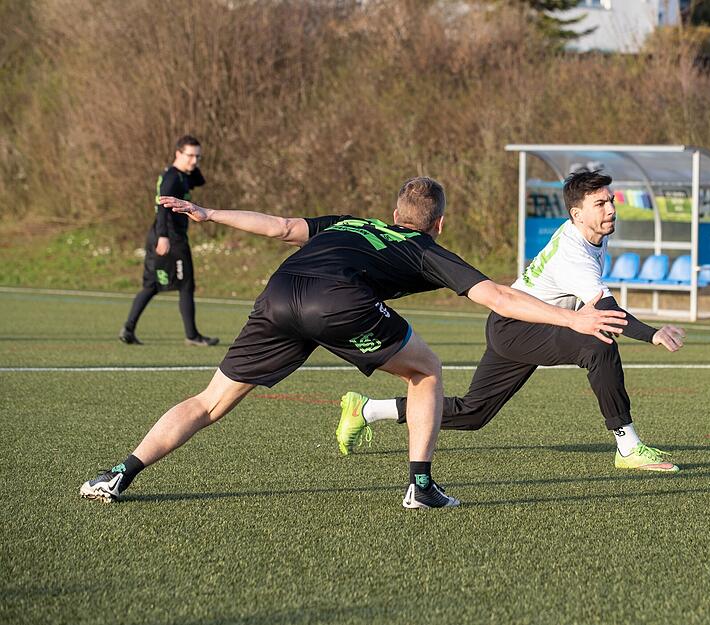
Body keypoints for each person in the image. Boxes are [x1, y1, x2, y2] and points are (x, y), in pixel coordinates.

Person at [80, 177, 627, 509]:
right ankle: (420, 485)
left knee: (208, 402)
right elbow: (501, 298)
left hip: (277, 294)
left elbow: (275, 226)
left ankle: (118, 474)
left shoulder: (348, 223)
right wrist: (573, 323)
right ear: (438, 222)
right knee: (428, 370)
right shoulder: (427, 249)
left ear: (393, 215)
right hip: (337, 303)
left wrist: (208, 213)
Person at [336, 170, 687, 473]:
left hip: (516, 325)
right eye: (601, 204)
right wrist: (653, 334)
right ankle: (628, 447)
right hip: (517, 328)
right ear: (576, 214)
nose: (611, 209)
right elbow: (605, 310)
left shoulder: (591, 235)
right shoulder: (573, 253)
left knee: (474, 414)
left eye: (611, 201)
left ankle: (367, 409)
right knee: (599, 342)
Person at [119, 135, 218, 347]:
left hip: (160, 235)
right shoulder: (173, 178)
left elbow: (201, 181)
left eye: (198, 157)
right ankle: (192, 336)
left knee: (152, 284)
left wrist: (191, 167)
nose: (194, 161)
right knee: (186, 285)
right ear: (178, 153)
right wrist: (163, 236)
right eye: (190, 155)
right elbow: (162, 207)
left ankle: (128, 329)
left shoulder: (180, 175)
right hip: (171, 238)